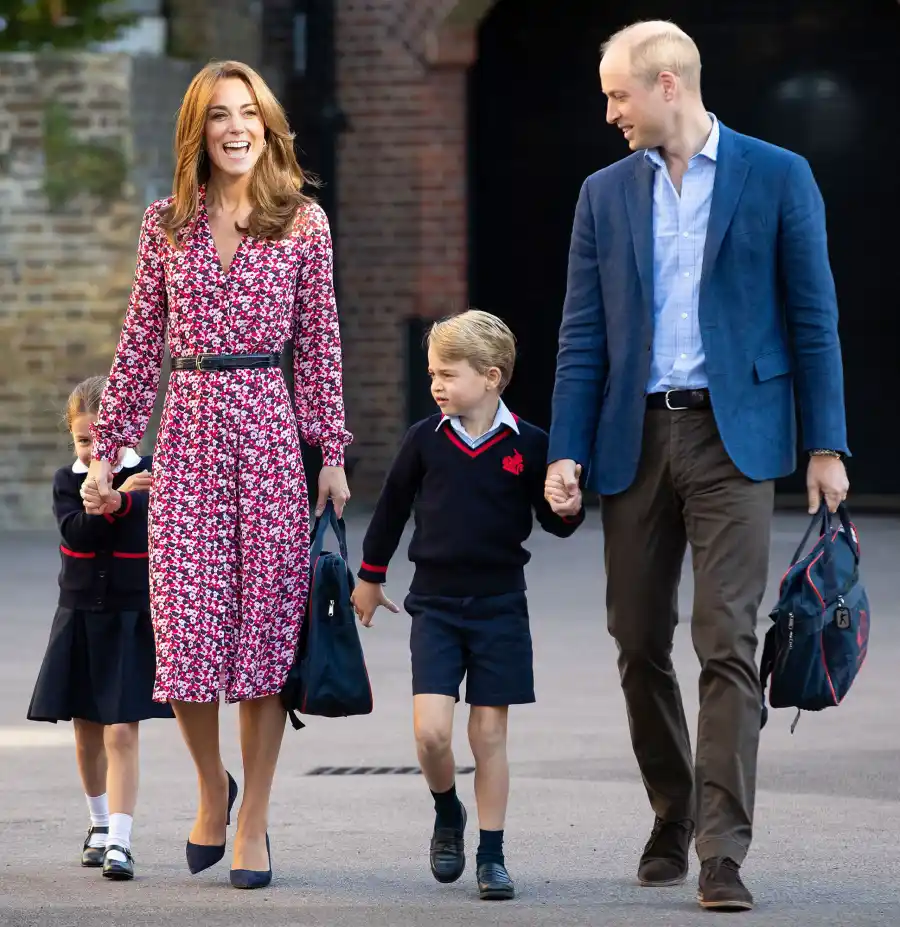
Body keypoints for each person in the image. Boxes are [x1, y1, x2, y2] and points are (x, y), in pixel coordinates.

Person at [545, 20, 850, 913]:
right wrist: (564, 447)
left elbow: (814, 317)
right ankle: (671, 808)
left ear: (668, 83)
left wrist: (826, 444)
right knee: (637, 639)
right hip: (631, 439)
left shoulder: (780, 175)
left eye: (618, 94)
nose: (609, 113)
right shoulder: (603, 195)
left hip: (735, 438)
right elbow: (582, 335)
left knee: (727, 639)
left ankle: (722, 847)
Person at [83, 61, 352, 890]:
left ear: (268, 126)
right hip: (191, 435)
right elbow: (135, 351)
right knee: (190, 633)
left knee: (265, 641)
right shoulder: (164, 224)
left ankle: (257, 820)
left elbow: (319, 344)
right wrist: (108, 454)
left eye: (249, 114)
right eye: (218, 116)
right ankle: (211, 790)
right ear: (196, 132)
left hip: (268, 433)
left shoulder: (304, 223)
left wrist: (331, 450)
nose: (236, 128)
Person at [350, 310, 584, 901]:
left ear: (492, 376)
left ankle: (493, 854)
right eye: (432, 374)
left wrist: (567, 506)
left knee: (488, 736)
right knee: (431, 734)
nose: (436, 385)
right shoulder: (423, 440)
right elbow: (391, 511)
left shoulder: (529, 445)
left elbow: (554, 525)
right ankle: (446, 810)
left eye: (447, 374)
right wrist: (370, 578)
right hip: (434, 603)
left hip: (501, 605)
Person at [27, 375, 174, 881]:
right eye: (84, 440)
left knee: (122, 733)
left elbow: (152, 521)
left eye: (103, 439)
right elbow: (76, 533)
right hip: (80, 617)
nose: (94, 450)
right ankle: (96, 823)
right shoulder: (68, 481)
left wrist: (126, 499)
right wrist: (111, 498)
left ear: (128, 430)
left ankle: (121, 838)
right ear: (73, 437)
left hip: (132, 618)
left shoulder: (152, 474)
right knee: (87, 731)